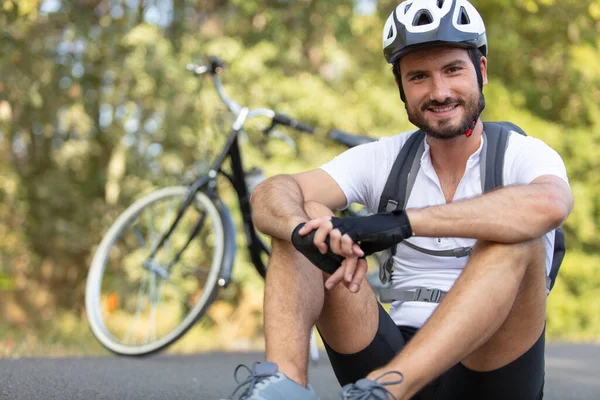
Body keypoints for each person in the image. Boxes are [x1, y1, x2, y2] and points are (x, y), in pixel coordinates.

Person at [223, 0, 573, 399]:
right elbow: (271, 191)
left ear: (482, 71)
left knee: (514, 236)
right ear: (401, 89)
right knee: (308, 215)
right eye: (419, 76)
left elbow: (550, 205)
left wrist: (400, 223)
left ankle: (385, 392)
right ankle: (282, 388)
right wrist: (301, 231)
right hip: (389, 350)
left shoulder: (523, 154)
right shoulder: (386, 158)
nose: (439, 91)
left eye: (453, 70)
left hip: (490, 369)